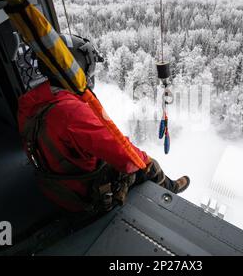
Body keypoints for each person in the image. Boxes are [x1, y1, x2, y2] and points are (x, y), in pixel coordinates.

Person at [17, 34, 190, 213]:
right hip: (79, 193)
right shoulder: (70, 111)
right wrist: (146, 161)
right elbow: (121, 152)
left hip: (53, 183)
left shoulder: (31, 100)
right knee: (146, 164)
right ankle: (170, 187)